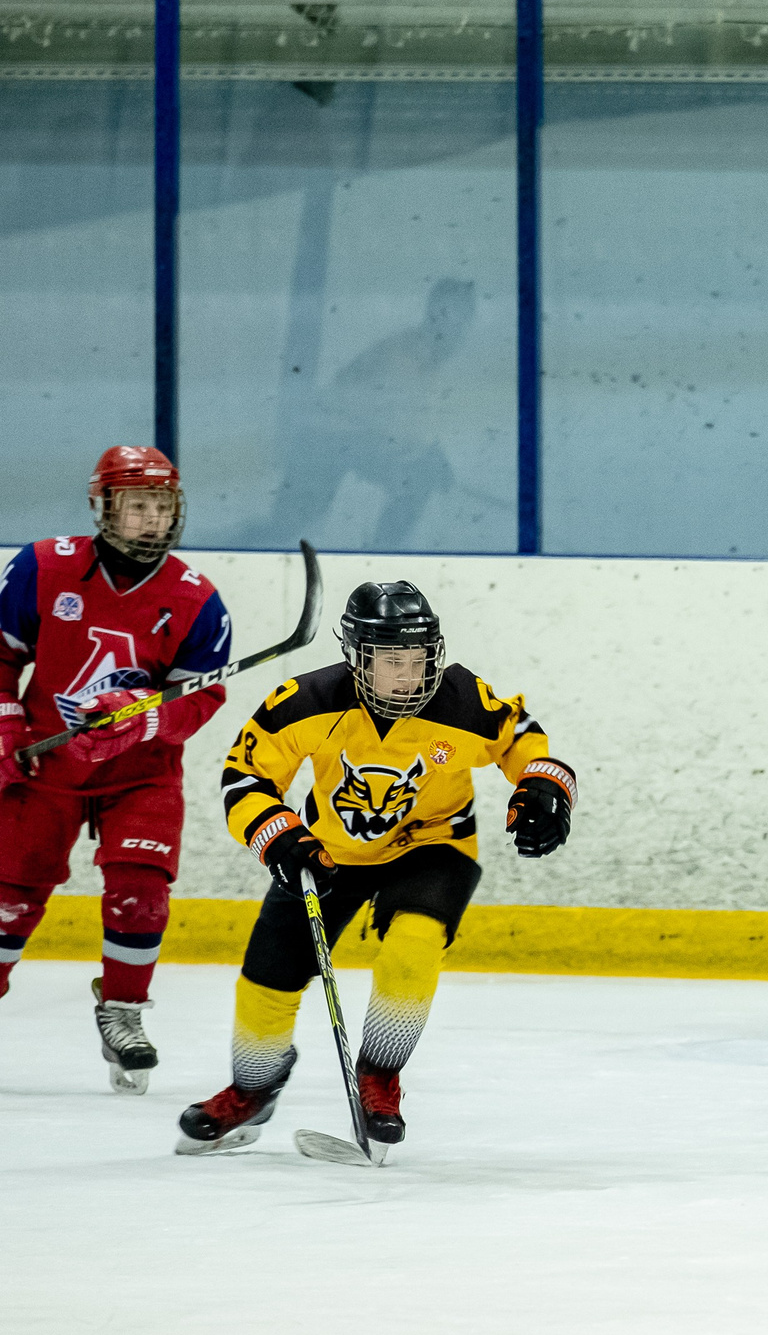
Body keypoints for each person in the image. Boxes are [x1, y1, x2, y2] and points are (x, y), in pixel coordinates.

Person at [175, 582, 576, 1155]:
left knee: (413, 946)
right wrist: (279, 836)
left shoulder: (463, 699)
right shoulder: (305, 702)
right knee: (268, 977)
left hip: (434, 844)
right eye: (393, 663)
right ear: (358, 658)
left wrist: (543, 787)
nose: (410, 676)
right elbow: (247, 777)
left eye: (418, 660)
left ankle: (380, 1079)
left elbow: (527, 742)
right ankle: (253, 1088)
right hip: (327, 851)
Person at [0, 447, 234, 1092]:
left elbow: (201, 693)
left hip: (141, 771)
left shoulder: (195, 599)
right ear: (104, 507)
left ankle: (124, 1010)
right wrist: (6, 729)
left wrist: (144, 716)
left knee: (142, 888)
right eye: (137, 506)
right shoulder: (43, 567)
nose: (152, 520)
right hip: (44, 761)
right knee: (8, 901)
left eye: (162, 507)